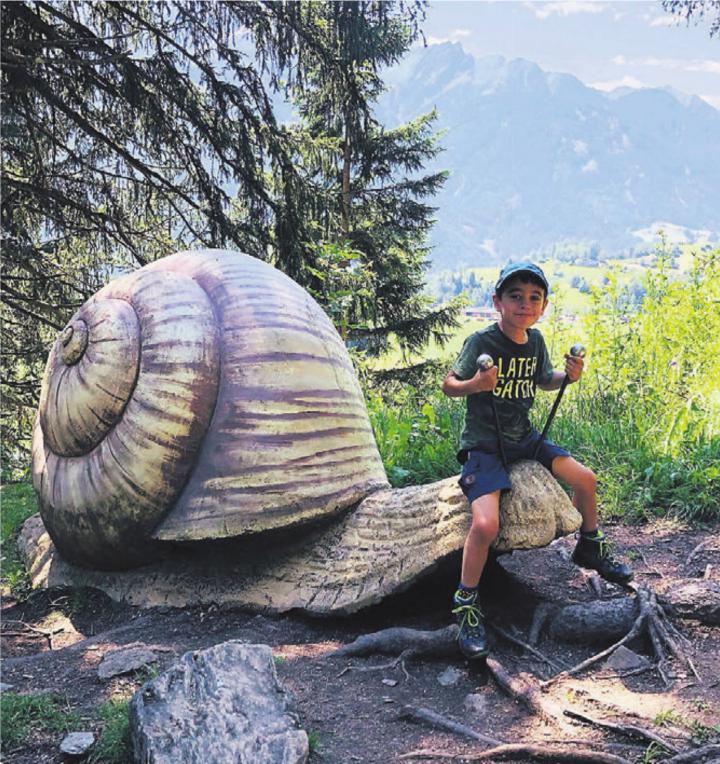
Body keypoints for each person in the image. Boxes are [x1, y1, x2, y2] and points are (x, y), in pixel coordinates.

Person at [441, 262, 633, 660]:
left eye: (534, 298)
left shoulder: (536, 341)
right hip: (485, 445)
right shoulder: (481, 342)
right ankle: (466, 602)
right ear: (497, 302)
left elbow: (544, 379)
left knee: (586, 479)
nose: (524, 304)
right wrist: (476, 384)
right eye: (515, 296)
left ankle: (589, 547)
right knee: (485, 523)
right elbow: (449, 385)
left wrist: (569, 376)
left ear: (543, 306)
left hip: (525, 439)